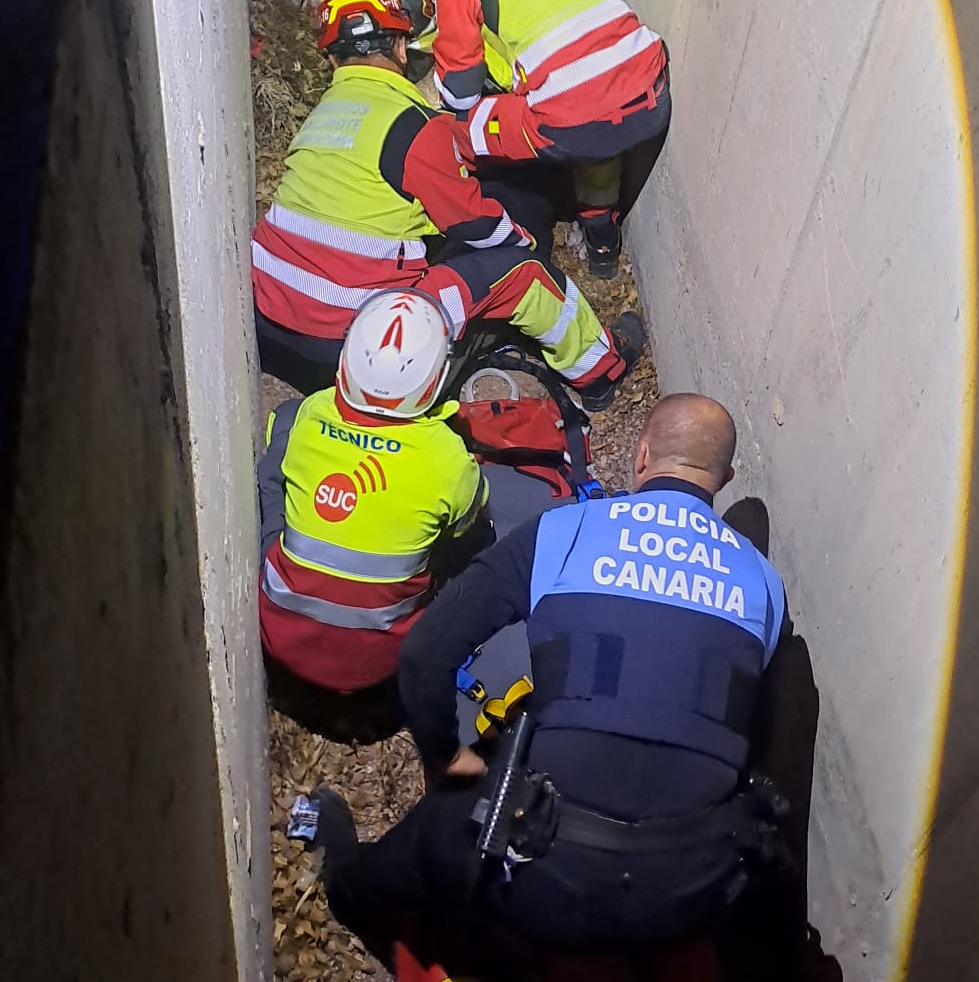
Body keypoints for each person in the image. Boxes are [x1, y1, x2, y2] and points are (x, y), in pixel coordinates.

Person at [311, 394, 789, 962]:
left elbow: (426, 655)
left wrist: (446, 758)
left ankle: (346, 881)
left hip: (539, 873)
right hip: (692, 896)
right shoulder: (764, 585)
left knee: (429, 836)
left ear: (640, 456)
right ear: (724, 478)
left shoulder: (566, 531)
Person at [251, 0, 643, 408]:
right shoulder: (412, 126)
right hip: (353, 345)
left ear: (330, 61)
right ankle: (601, 369)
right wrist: (522, 242)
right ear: (401, 47)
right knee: (526, 276)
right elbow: (474, 223)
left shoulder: (316, 122)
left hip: (271, 325)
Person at [382, 0, 670, 279]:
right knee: (585, 112)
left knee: (456, 125)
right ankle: (602, 241)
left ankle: (484, 224)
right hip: (651, 89)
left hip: (577, 122)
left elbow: (459, 91)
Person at [256, 289, 490, 694]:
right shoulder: (447, 457)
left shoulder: (312, 413)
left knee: (278, 457)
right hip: (383, 661)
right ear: (436, 378)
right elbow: (468, 526)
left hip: (281, 638)